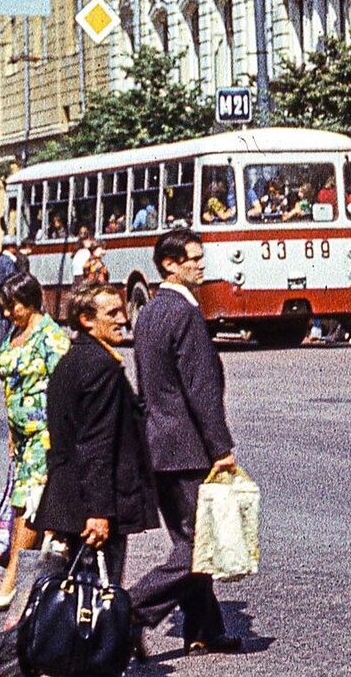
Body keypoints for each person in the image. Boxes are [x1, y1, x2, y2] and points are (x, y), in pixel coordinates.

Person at [129, 229, 242, 657]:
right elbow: (201, 389)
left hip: (158, 445)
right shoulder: (186, 315)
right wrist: (221, 448)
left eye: (200, 257)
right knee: (199, 546)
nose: (201, 264)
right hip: (188, 447)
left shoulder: (151, 312)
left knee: (188, 540)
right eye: (192, 259)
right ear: (170, 264)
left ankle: (204, 628)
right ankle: (130, 609)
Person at [36, 283, 158, 583]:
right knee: (95, 598)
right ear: (86, 320)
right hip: (90, 504)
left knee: (75, 593)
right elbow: (96, 444)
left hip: (69, 497)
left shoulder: (74, 359)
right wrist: (99, 512)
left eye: (121, 311)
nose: (122, 319)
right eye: (112, 313)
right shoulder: (101, 366)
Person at [0, 272, 69, 610]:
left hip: (45, 435)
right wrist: (10, 430)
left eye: (13, 307)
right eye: (4, 308)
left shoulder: (52, 338)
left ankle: (12, 579)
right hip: (21, 438)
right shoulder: (16, 333)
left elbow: (65, 389)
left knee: (26, 506)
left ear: (31, 301)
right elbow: (11, 387)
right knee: (28, 505)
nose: (8, 314)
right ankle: (30, 576)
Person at [0, 236, 20, 344]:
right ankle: (7, 345)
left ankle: (3, 345)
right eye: (15, 247)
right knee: (10, 323)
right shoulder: (8, 262)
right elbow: (11, 280)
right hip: (8, 296)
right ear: (10, 247)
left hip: (0, 296)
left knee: (3, 321)